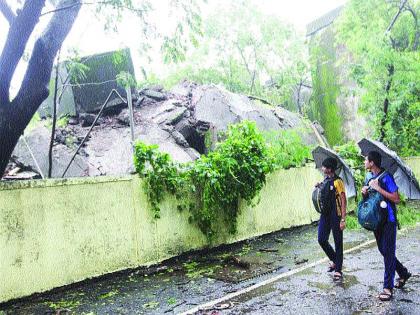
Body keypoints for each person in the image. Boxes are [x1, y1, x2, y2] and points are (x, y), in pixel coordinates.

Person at [362, 151, 411, 301]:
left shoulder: (386, 177)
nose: (364, 162)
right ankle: (403, 273)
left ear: (372, 163)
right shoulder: (368, 177)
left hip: (388, 220)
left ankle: (387, 287)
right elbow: (370, 197)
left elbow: (396, 199)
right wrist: (364, 192)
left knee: (388, 252)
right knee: (384, 250)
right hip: (376, 220)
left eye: (366, 160)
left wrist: (379, 188)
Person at [317, 157, 347, 281]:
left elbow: (343, 199)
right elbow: (326, 194)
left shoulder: (338, 181)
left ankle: (338, 269)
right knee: (321, 239)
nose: (322, 168)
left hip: (336, 214)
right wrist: (320, 186)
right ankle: (335, 260)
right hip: (325, 214)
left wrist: (343, 219)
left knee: (338, 241)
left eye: (324, 166)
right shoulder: (326, 180)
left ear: (329, 169)